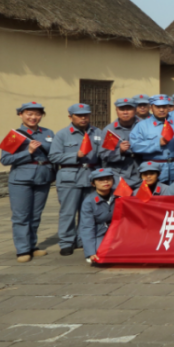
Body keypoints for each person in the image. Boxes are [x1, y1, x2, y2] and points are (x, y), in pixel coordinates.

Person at [2, 102, 54, 262]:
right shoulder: (14, 135)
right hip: (21, 179)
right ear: (21, 115)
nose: (33, 117)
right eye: (29, 114)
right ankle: (23, 249)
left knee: (36, 215)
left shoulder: (48, 133)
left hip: (43, 177)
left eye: (37, 114)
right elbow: (5, 159)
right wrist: (28, 152)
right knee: (21, 216)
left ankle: (32, 245)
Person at [49, 103, 101, 256]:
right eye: (79, 115)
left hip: (91, 176)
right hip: (70, 178)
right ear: (70, 117)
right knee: (68, 212)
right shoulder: (62, 134)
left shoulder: (97, 132)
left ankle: (82, 240)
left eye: (86, 115)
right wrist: (75, 155)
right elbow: (53, 157)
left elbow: (103, 154)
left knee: (88, 211)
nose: (83, 118)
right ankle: (66, 242)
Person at [130, 94, 174, 184]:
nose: (161, 110)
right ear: (151, 108)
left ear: (168, 107)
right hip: (153, 170)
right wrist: (157, 143)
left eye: (164, 106)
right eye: (158, 107)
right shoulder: (142, 125)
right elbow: (134, 146)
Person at [98, 97, 142, 188]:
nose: (125, 112)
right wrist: (120, 151)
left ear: (135, 110)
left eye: (129, 109)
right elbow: (104, 155)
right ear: (117, 110)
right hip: (119, 174)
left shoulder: (144, 125)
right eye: (121, 109)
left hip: (141, 171)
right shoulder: (111, 130)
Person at [78, 168, 116, 265]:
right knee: (100, 255)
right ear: (93, 184)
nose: (106, 181)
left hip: (118, 231)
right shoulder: (89, 201)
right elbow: (87, 227)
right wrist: (90, 252)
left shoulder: (119, 195)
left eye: (108, 178)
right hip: (100, 232)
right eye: (100, 179)